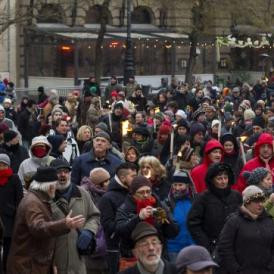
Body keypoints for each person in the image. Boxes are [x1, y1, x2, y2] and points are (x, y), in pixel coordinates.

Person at [6, 167, 85, 274]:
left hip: (33, 264)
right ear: (50, 187)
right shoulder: (32, 203)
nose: (56, 189)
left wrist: (51, 264)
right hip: (28, 266)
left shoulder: (37, 199)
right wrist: (64, 224)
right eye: (55, 186)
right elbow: (38, 228)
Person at [50, 158, 100, 274]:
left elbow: (95, 216)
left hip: (78, 259)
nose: (62, 175)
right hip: (55, 260)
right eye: (58, 171)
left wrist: (89, 231)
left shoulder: (82, 193)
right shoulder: (46, 196)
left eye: (66, 171)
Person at [115, 176, 178, 268]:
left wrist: (165, 219)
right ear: (133, 193)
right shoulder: (125, 208)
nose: (145, 195)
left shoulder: (159, 205)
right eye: (141, 192)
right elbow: (120, 231)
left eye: (148, 191)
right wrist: (139, 218)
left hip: (158, 255)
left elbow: (173, 233)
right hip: (134, 258)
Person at [217, 185, 274, 274]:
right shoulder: (234, 221)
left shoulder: (268, 221)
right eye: (256, 201)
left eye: (262, 200)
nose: (260, 204)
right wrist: (236, 270)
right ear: (247, 202)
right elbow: (224, 248)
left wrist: (271, 268)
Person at [187, 163, 242, 254]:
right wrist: (206, 244)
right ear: (212, 180)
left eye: (225, 178)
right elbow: (193, 223)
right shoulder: (203, 198)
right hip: (213, 246)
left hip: (234, 245)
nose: (223, 181)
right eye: (219, 178)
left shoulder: (236, 196)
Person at [99, 163, 137, 274]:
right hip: (117, 250)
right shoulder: (108, 197)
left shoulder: (133, 192)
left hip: (134, 247)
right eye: (133, 176)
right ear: (122, 178)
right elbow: (107, 225)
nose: (136, 179)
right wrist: (129, 224)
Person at [81, 168, 110, 274]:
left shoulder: (102, 192)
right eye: (106, 181)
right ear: (99, 183)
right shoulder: (84, 194)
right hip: (91, 236)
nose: (109, 183)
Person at [0, 154, 23, 273]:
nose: (1, 167)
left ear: (8, 165)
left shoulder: (14, 178)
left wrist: (12, 210)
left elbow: (20, 198)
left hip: (10, 219)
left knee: (8, 250)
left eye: (3, 165)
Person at [165, 170, 195, 262]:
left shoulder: (195, 201)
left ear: (187, 185)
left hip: (193, 246)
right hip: (174, 248)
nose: (177, 188)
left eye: (180, 185)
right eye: (175, 185)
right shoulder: (167, 203)